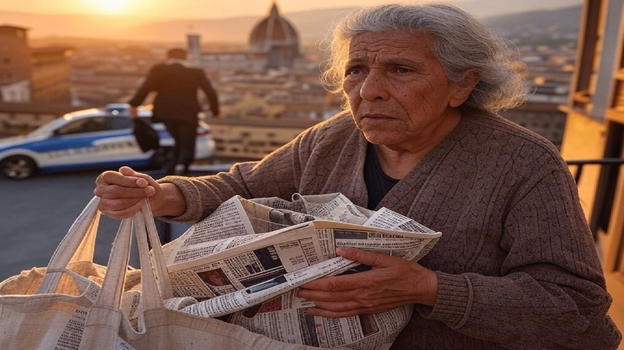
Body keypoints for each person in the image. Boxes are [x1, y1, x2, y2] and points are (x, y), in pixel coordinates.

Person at [94, 4, 622, 349]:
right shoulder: (333, 137)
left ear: (463, 85)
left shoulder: (522, 164)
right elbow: (245, 187)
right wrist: (164, 195)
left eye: (400, 69)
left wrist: (429, 288)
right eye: (356, 69)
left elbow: (574, 305)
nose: (368, 90)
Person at [128, 48, 220, 175]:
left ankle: (172, 169)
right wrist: (214, 109)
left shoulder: (159, 70)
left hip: (165, 112)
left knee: (177, 140)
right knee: (188, 143)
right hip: (188, 112)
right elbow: (210, 91)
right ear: (185, 58)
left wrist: (134, 105)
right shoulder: (195, 72)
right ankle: (182, 168)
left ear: (168, 57)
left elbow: (145, 87)